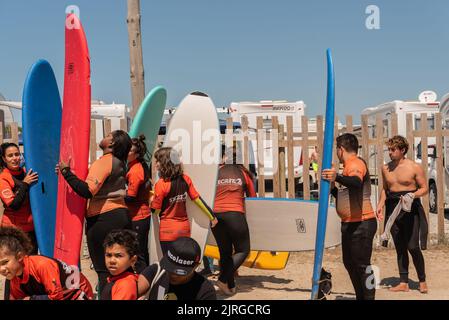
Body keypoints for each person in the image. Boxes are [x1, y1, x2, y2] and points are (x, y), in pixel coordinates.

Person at [56, 130, 133, 295]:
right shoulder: (119, 162)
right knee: (122, 267)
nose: (104, 136)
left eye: (108, 135)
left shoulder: (105, 161)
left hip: (104, 219)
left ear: (111, 144)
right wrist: (69, 175)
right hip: (121, 215)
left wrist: (65, 172)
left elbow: (87, 190)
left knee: (104, 270)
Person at [322, 133, 378, 300]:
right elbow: (343, 195)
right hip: (350, 223)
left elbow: (356, 182)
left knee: (363, 266)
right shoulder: (347, 166)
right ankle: (361, 296)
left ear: (341, 149)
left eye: (336, 150)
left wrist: (337, 176)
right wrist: (333, 184)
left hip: (362, 222)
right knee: (350, 263)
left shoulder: (355, 163)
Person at [377, 135, 428, 294]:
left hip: (410, 208)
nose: (390, 153)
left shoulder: (414, 167)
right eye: (389, 150)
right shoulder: (385, 168)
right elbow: (385, 189)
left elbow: (424, 188)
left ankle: (422, 280)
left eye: (393, 150)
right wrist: (380, 205)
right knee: (399, 246)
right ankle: (403, 282)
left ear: (403, 150)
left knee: (412, 246)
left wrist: (413, 195)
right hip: (393, 208)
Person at [151, 147, 218, 255]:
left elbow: (156, 211)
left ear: (165, 163)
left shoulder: (161, 184)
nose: (156, 164)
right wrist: (212, 217)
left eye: (158, 161)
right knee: (182, 262)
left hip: (167, 231)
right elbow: (197, 200)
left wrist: (151, 200)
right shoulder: (185, 179)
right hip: (184, 229)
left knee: (169, 264)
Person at [0, 226, 93, 300]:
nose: (1, 269)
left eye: (5, 262)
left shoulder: (42, 265)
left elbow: (57, 296)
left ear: (19, 257)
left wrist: (32, 299)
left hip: (78, 293)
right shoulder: (13, 278)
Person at [211, 144, 256, 296]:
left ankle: (230, 286)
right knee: (243, 250)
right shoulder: (244, 173)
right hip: (234, 214)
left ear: (225, 158)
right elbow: (252, 199)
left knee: (225, 253)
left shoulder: (216, 171)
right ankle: (223, 280)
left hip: (215, 216)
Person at [137, 237, 217, 300]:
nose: (173, 274)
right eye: (169, 267)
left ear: (195, 266)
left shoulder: (205, 291)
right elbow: (131, 292)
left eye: (179, 272)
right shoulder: (156, 271)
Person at [0, 143, 38, 254]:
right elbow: (14, 205)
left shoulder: (26, 172)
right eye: (10, 155)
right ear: (4, 158)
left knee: (32, 263)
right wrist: (25, 184)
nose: (15, 158)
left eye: (17, 154)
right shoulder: (3, 178)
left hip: (31, 228)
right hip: (13, 231)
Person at [126, 134, 152, 272]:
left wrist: (114, 195)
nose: (126, 152)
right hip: (139, 216)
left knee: (139, 253)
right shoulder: (134, 166)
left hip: (139, 217)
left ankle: (144, 284)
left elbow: (131, 197)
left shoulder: (136, 170)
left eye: (129, 151)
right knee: (140, 252)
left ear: (136, 154)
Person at [101, 230, 139, 300]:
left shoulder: (125, 284)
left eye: (118, 256)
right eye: (108, 255)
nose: (112, 261)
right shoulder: (114, 278)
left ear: (133, 260)